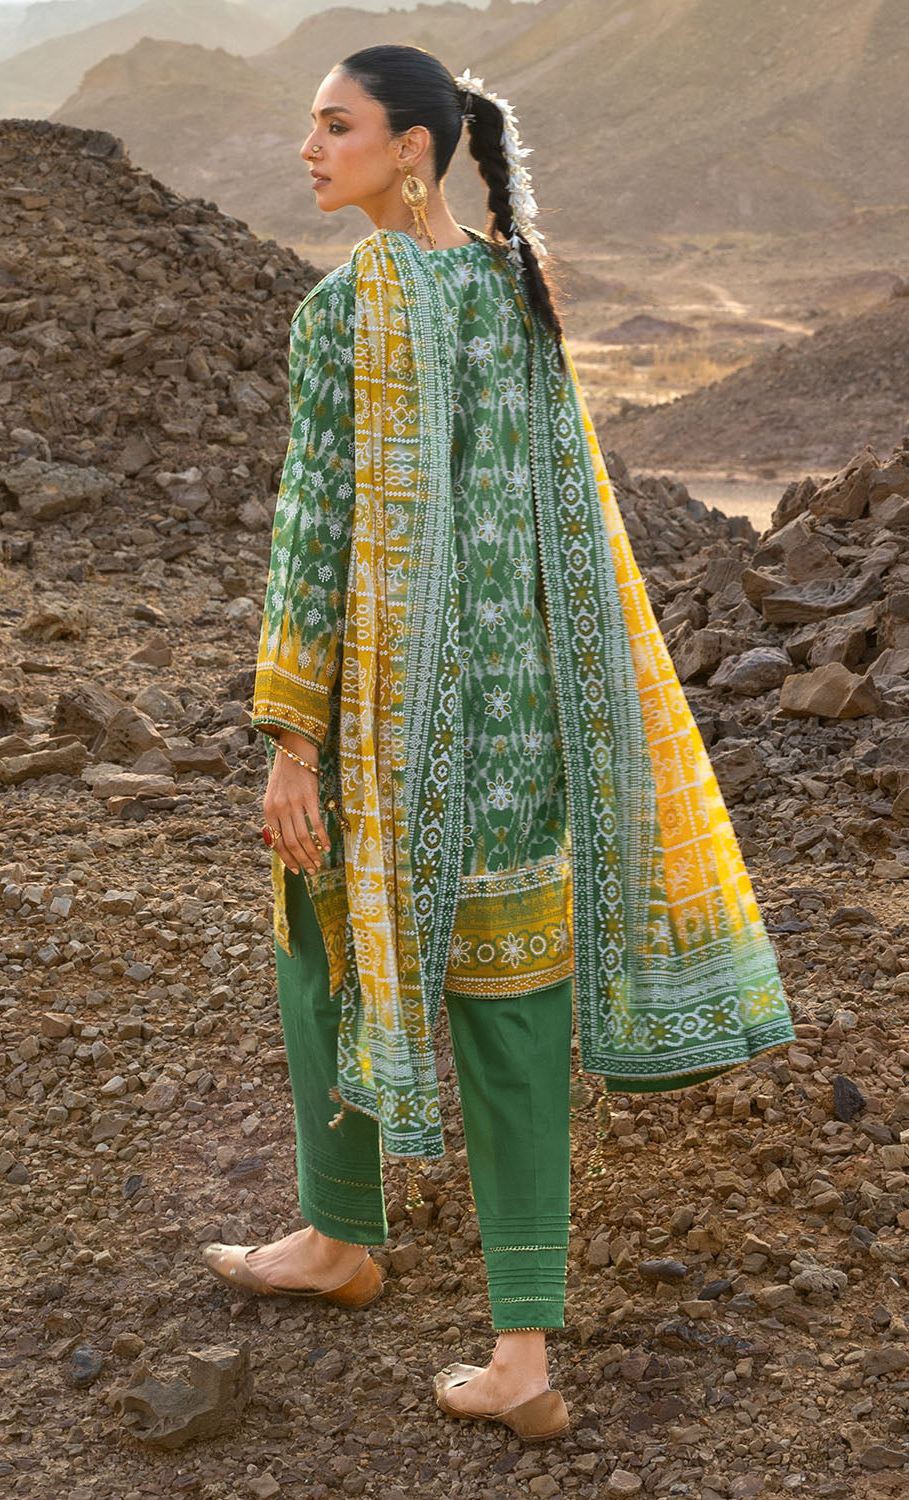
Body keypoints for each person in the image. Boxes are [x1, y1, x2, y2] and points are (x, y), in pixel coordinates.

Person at [202, 43, 795, 1440]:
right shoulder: (518, 288)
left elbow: (313, 533)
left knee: (322, 938)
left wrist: (289, 739)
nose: (310, 149)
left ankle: (343, 1235)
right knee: (513, 1005)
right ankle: (516, 1348)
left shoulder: (343, 310)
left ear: (413, 147)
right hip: (520, 721)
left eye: (335, 125)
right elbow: (563, 520)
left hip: (386, 719)